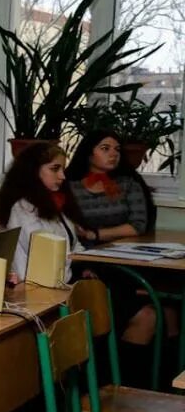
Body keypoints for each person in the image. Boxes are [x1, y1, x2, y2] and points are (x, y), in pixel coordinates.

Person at [65, 131, 166, 383]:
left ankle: (127, 379)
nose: (113, 154)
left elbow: (138, 225)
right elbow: (69, 227)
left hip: (123, 262)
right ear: (89, 152)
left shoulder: (127, 183)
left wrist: (96, 233)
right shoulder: (70, 185)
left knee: (149, 309)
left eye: (117, 149)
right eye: (105, 148)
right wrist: (88, 241)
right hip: (84, 262)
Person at [0, 142, 81, 285]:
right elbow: (43, 252)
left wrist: (85, 258)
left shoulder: (55, 202)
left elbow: (74, 244)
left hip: (60, 282)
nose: (62, 176)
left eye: (63, 169)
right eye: (55, 169)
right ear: (33, 171)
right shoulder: (22, 208)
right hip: (33, 288)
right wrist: (77, 257)